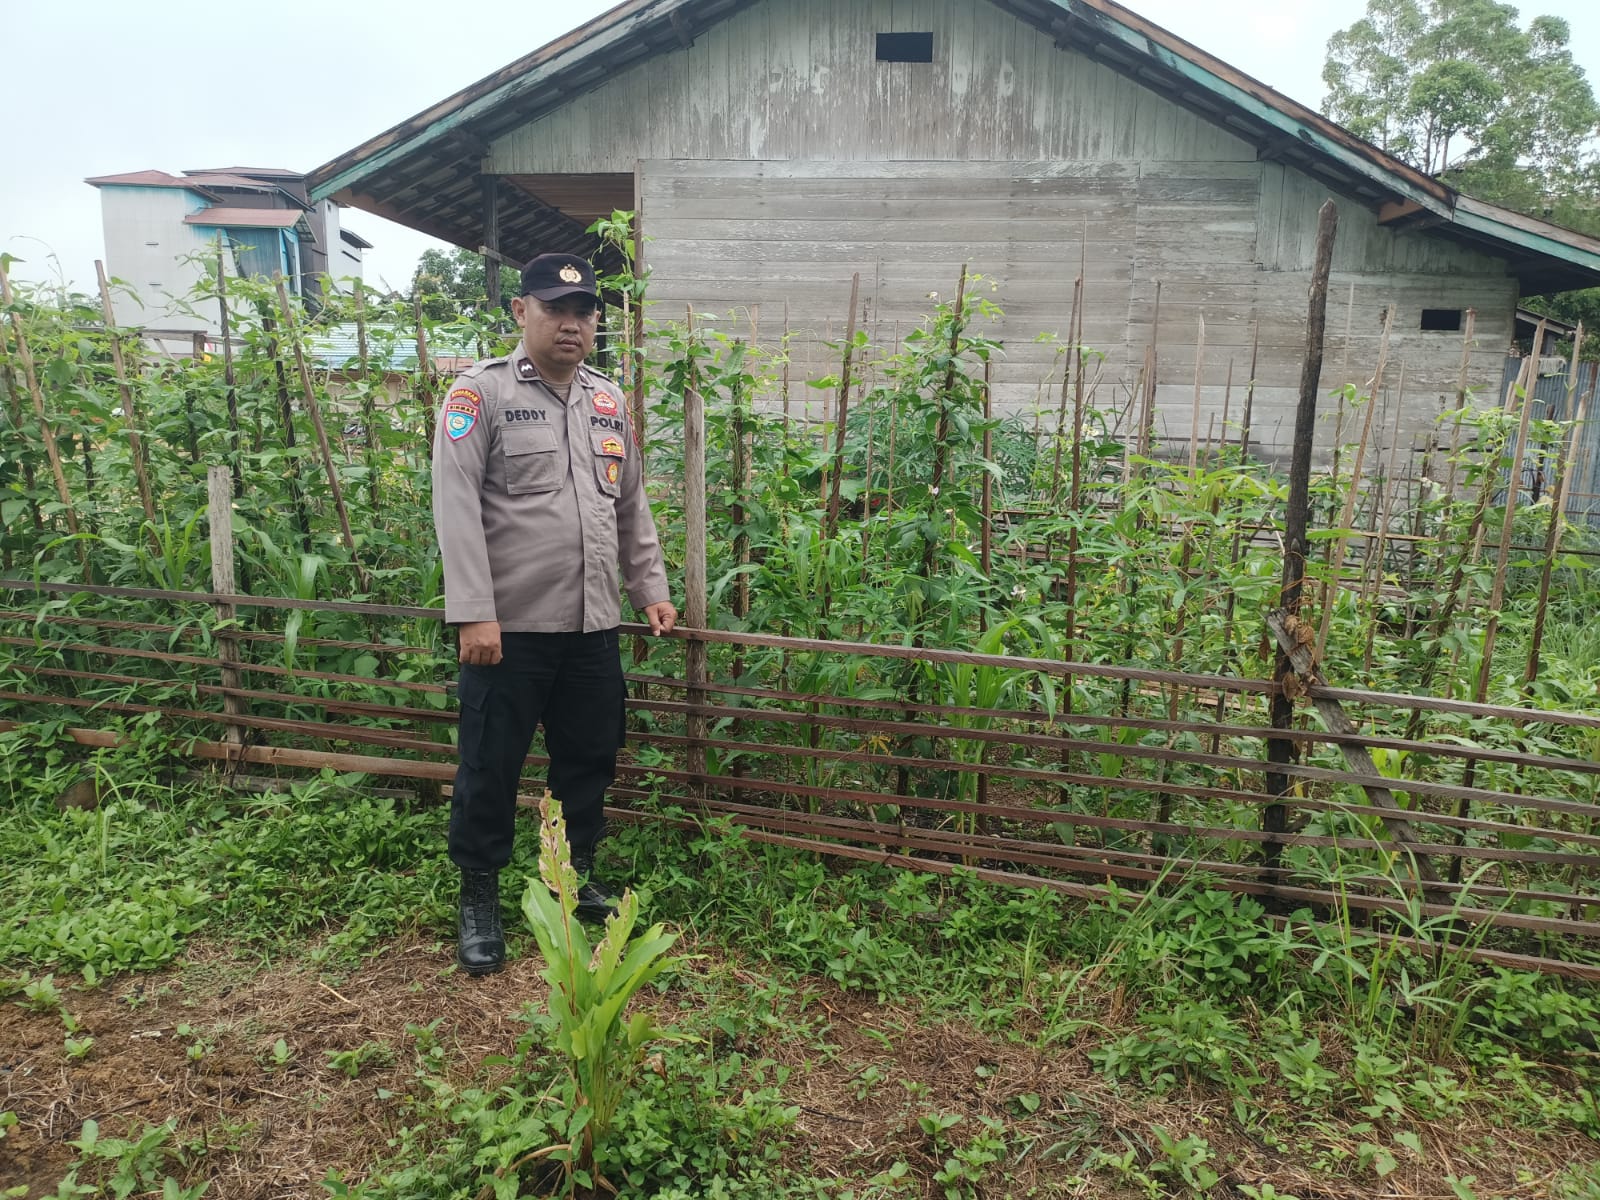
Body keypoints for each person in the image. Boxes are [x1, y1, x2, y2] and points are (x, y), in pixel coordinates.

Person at [431, 252, 677, 976]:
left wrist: (650, 588)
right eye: (555, 309)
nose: (572, 324)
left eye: (584, 313)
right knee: (490, 763)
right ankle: (479, 895)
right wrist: (473, 612)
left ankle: (571, 876)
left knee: (589, 757)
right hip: (509, 628)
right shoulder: (480, 394)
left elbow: (630, 502)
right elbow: (455, 506)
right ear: (521, 312)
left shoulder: (607, 400)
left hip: (593, 622)